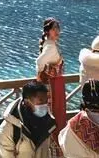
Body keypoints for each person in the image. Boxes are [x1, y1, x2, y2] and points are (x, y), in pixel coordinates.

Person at [0, 80, 56, 158]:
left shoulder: (49, 122)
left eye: (46, 101)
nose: (44, 105)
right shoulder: (8, 129)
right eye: (40, 101)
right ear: (27, 102)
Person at [35, 17, 65, 157]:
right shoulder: (51, 46)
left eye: (58, 28)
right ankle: (55, 151)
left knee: (50, 114)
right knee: (56, 114)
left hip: (53, 84)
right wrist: (43, 74)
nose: (57, 31)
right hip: (54, 85)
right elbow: (40, 62)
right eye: (54, 28)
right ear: (47, 31)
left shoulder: (49, 44)